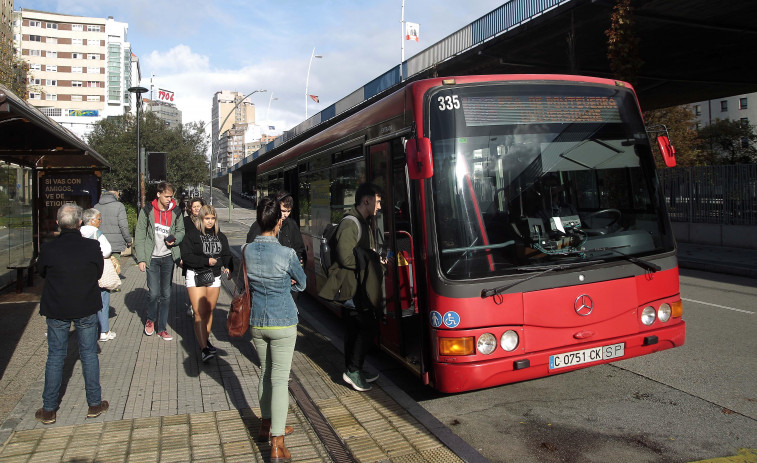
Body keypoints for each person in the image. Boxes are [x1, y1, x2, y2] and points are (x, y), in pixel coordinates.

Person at [244, 197, 306, 462]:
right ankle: (277, 443)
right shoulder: (287, 254)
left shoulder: (247, 249)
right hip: (283, 320)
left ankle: (265, 425)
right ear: (278, 222)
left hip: (257, 320)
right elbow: (302, 283)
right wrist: (287, 284)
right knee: (280, 380)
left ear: (259, 221)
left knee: (265, 374)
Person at [35, 203, 109, 425]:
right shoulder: (91, 246)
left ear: (58, 223)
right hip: (85, 306)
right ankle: (94, 404)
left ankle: (49, 409)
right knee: (88, 354)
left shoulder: (48, 248)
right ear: (79, 223)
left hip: (57, 307)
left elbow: (41, 272)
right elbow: (98, 271)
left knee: (56, 356)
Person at [318, 183, 385, 392]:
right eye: (378, 201)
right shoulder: (351, 223)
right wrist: (373, 260)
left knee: (355, 330)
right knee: (367, 327)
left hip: (358, 284)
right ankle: (353, 371)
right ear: (367, 201)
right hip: (351, 287)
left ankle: (355, 368)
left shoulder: (363, 222)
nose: (379, 207)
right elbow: (346, 256)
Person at [179, 204, 233, 362]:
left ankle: (206, 340)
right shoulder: (192, 235)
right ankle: (204, 348)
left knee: (208, 311)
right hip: (195, 275)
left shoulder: (220, 236)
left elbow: (227, 254)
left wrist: (229, 267)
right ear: (201, 219)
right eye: (207, 218)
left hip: (214, 277)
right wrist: (205, 261)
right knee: (198, 312)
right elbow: (186, 256)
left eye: (212, 218)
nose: (210, 221)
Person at [134, 181, 185, 341]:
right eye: (167, 196)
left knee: (166, 295)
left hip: (168, 258)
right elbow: (140, 234)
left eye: (171, 196)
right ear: (158, 194)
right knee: (154, 293)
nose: (170, 199)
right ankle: (150, 319)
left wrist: (175, 239)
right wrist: (141, 258)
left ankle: (162, 328)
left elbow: (181, 230)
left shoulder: (176, 211)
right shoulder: (147, 210)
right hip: (152, 258)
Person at [81, 208, 117, 342]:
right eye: (99, 219)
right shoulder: (96, 233)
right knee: (103, 299)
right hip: (98, 271)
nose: (100, 222)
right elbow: (107, 251)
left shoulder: (78, 232)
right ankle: (104, 331)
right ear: (91, 220)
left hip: (83, 273)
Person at [246, 190, 306, 267]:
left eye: (289, 211)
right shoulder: (259, 225)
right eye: (283, 211)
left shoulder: (292, 225)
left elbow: (299, 248)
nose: (286, 215)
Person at [94, 188, 132, 278]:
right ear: (114, 194)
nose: (119, 196)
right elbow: (123, 225)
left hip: (100, 241)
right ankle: (113, 284)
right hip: (115, 242)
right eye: (118, 194)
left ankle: (103, 282)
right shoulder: (119, 206)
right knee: (115, 263)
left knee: (103, 264)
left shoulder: (96, 207)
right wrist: (128, 240)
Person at [182, 197, 206, 318]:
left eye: (199, 206)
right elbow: (181, 238)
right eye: (194, 206)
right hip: (190, 256)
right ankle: (193, 304)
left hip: (204, 256)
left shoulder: (207, 219)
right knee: (191, 282)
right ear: (190, 209)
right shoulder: (185, 221)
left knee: (204, 281)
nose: (197, 208)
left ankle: (201, 304)